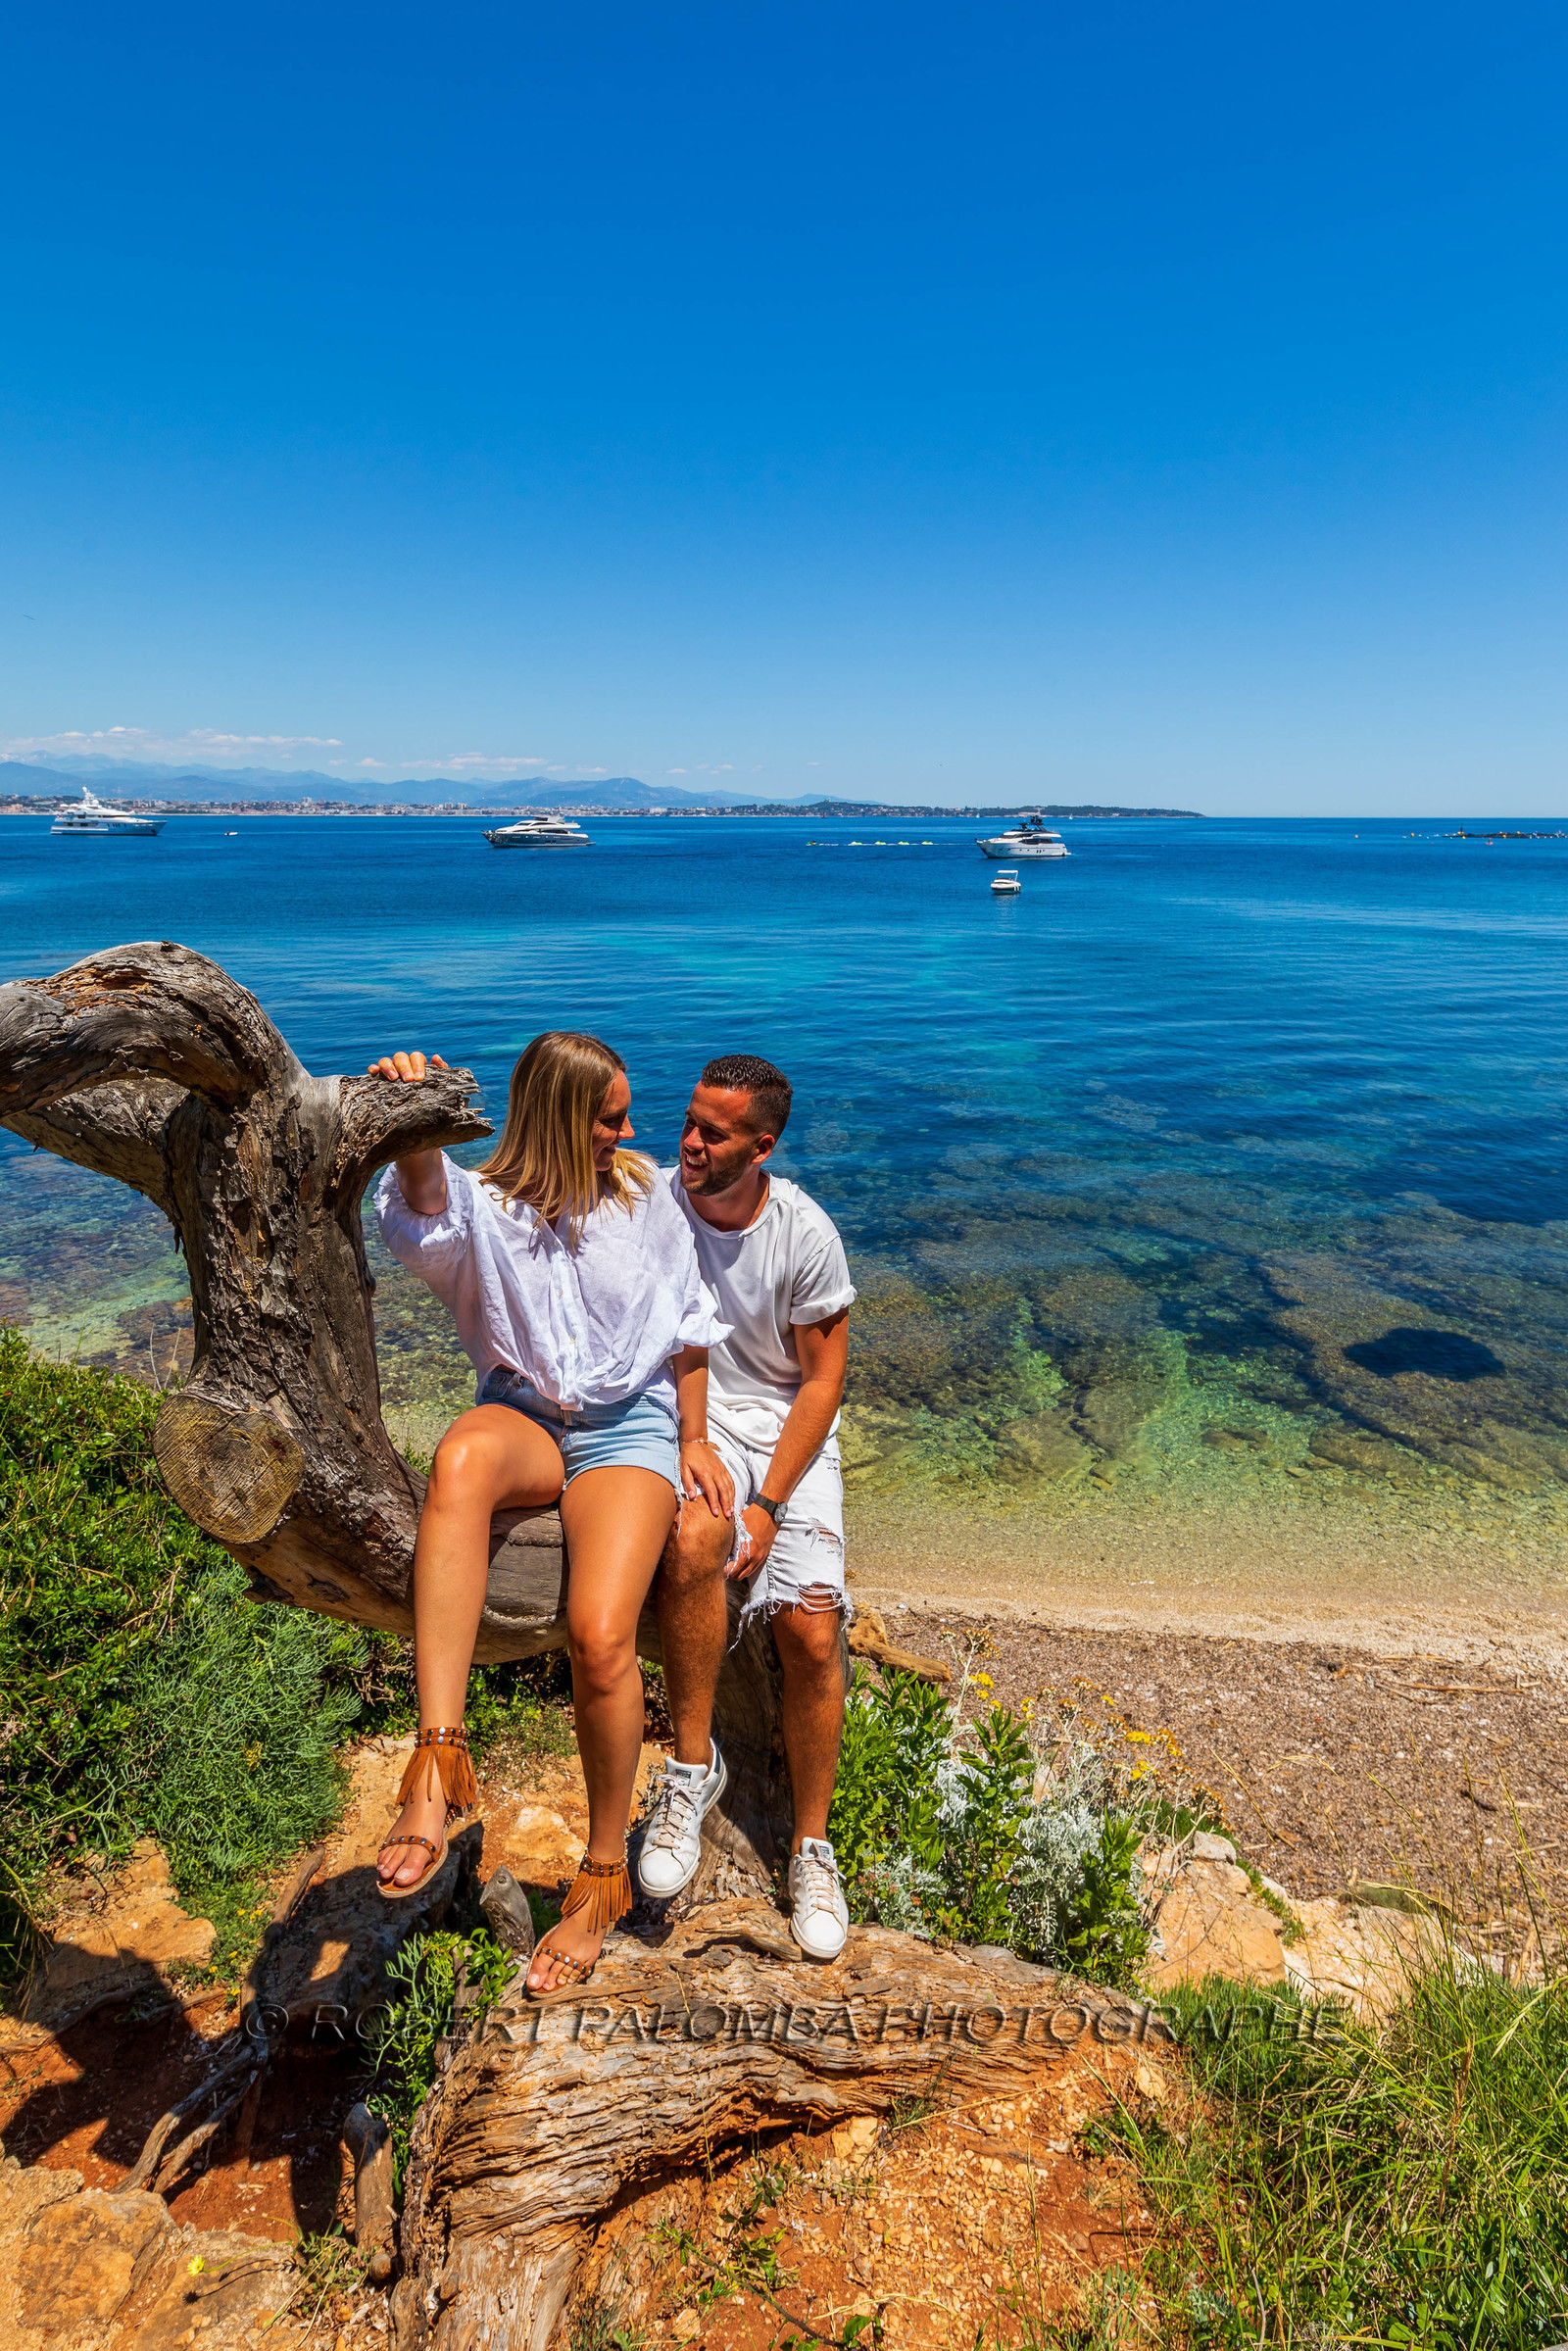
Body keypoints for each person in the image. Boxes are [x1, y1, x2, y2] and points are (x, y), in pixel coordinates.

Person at [367, 1034, 733, 1994]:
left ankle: (602, 1876)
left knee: (601, 1634)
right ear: (563, 1118)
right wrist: (415, 1118)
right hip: (524, 1415)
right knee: (458, 1457)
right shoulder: (483, 1209)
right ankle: (435, 1764)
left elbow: (688, 1330)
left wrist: (695, 1438)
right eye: (611, 1116)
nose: (630, 1131)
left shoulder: (648, 1199)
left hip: (627, 1428)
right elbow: (424, 1208)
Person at [635, 1054, 857, 1960]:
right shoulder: (653, 1200)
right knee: (695, 1541)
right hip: (693, 1413)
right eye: (689, 1121)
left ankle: (812, 1846)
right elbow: (536, 1185)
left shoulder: (804, 1232)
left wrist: (767, 1503)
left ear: (762, 1147)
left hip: (788, 1430)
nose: (689, 1141)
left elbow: (823, 1382)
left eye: (713, 1132)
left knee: (812, 1626)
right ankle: (692, 1768)